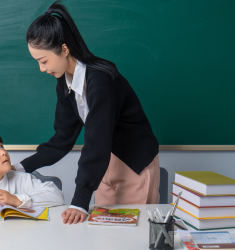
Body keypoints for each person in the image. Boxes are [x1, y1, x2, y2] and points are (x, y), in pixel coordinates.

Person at [12, 0, 160, 224]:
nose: (42, 69)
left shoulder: (101, 82)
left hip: (132, 164)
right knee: (104, 235)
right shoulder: (65, 85)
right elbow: (62, 139)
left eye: (43, 61)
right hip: (104, 165)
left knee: (131, 236)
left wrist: (80, 200)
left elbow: (96, 141)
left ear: (64, 48)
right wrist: (20, 168)